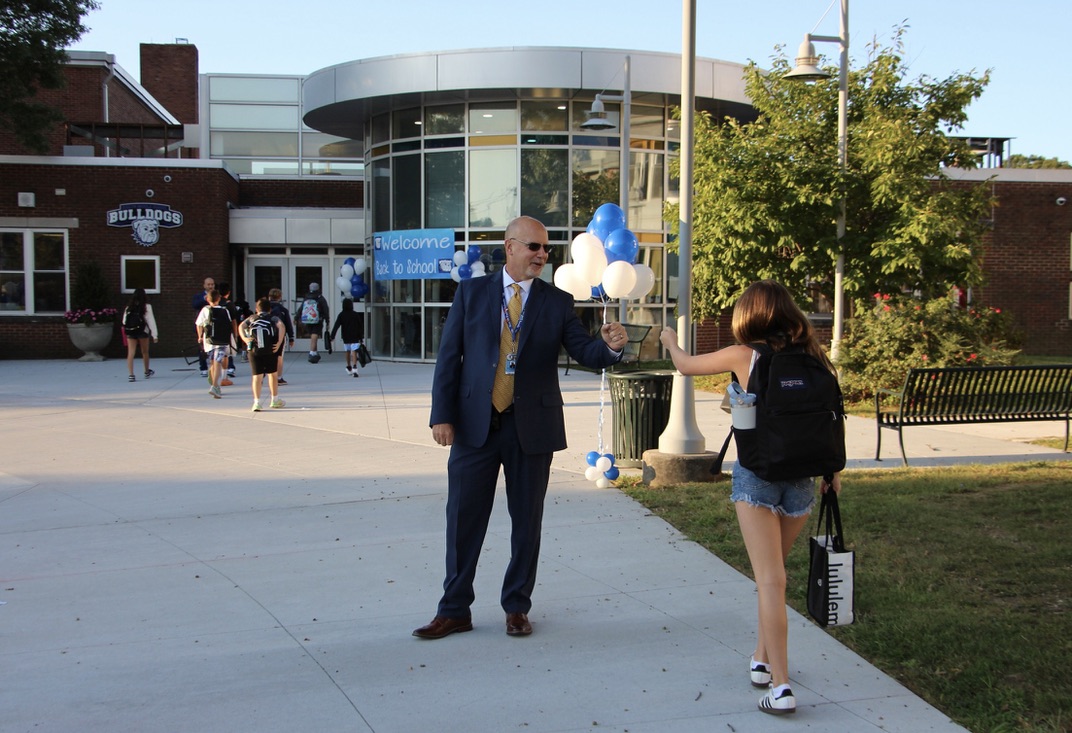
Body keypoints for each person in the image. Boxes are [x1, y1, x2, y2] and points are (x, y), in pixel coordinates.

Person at [414, 215, 628, 641]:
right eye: (534, 247)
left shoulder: (557, 301)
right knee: (462, 520)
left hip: (531, 428)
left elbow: (585, 351)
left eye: (546, 249)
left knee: (526, 523)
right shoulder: (472, 293)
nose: (542, 255)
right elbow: (449, 357)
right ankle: (453, 610)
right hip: (475, 426)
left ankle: (517, 607)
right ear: (510, 246)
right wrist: (442, 415)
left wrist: (610, 347)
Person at [659, 279, 843, 716]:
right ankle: (762, 659)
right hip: (802, 477)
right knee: (774, 577)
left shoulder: (745, 355)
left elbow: (685, 365)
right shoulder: (814, 356)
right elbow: (830, 415)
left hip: (757, 476)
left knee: (770, 581)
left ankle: (781, 686)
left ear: (749, 315)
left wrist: (669, 339)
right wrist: (833, 473)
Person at [239, 297, 286, 411]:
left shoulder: (252, 318)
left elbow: (241, 326)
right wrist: (279, 342)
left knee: (257, 376)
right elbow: (281, 326)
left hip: (254, 350)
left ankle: (257, 402)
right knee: (272, 374)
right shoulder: (273, 318)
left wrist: (245, 339)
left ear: (256, 309)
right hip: (270, 349)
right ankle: (274, 400)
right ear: (270, 309)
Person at [195, 289, 232, 399]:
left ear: (207, 299)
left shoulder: (205, 310)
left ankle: (214, 385)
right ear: (219, 299)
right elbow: (228, 325)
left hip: (209, 341)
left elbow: (199, 324)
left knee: (212, 363)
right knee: (218, 362)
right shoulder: (225, 310)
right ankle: (215, 386)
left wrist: (200, 336)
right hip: (222, 341)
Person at [122, 288, 158, 381]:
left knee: (131, 353)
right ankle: (146, 371)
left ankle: (131, 375)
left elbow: (124, 321)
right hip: (142, 331)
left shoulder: (129, 307)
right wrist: (155, 335)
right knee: (145, 352)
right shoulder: (146, 306)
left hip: (131, 331)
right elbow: (151, 321)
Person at [329, 298, 365, 376]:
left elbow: (336, 326)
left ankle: (349, 366)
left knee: (347, 351)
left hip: (346, 335)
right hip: (355, 335)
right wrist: (361, 336)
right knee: (354, 351)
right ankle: (355, 367)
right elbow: (360, 326)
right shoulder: (355, 314)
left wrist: (332, 336)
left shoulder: (341, 315)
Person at [268, 288, 295, 385]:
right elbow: (288, 324)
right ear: (280, 297)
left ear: (269, 297)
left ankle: (262, 376)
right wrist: (291, 337)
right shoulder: (283, 310)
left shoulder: (264, 308)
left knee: (265, 355)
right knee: (279, 356)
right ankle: (278, 378)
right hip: (279, 335)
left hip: (266, 334)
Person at [299, 282, 330, 363]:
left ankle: (315, 353)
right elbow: (325, 309)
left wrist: (297, 317)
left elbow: (301, 308)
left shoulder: (306, 297)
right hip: (318, 319)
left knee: (312, 336)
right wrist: (327, 320)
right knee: (315, 335)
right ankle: (312, 353)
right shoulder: (320, 298)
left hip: (308, 319)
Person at [217, 282, 241, 384]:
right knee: (226, 355)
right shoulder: (229, 304)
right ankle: (224, 378)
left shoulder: (214, 304)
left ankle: (213, 375)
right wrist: (236, 334)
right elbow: (234, 321)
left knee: (214, 355)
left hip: (214, 333)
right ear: (229, 292)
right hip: (226, 332)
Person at [191, 277, 214, 377]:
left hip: (215, 324)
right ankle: (203, 368)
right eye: (208, 284)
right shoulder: (199, 296)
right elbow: (195, 305)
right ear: (204, 285)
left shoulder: (217, 295)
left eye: (212, 284)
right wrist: (205, 299)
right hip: (203, 325)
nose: (210, 286)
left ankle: (220, 367)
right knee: (202, 347)